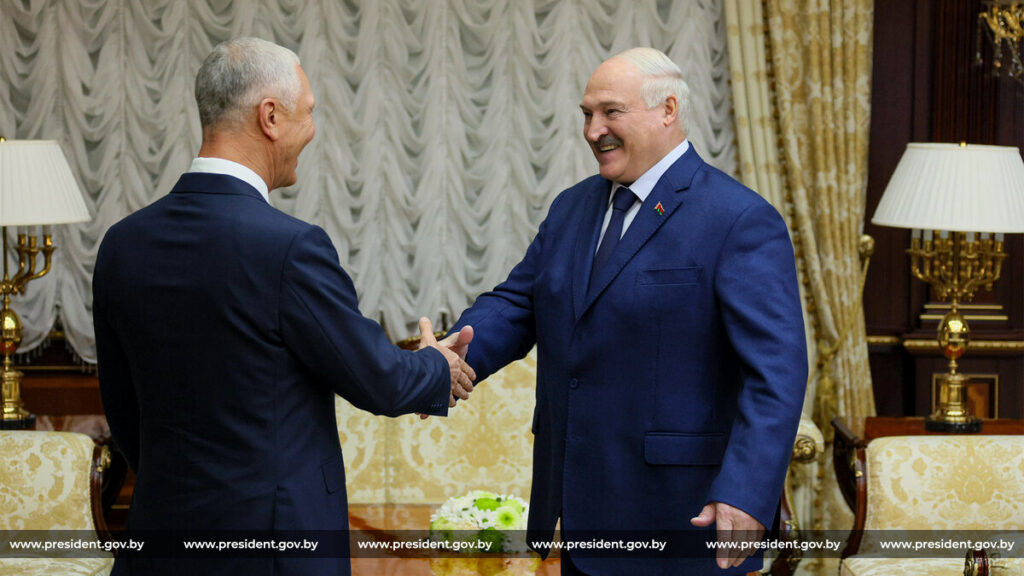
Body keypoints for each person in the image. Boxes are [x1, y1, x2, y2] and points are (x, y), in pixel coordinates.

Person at [93, 37, 475, 576]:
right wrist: (438, 365)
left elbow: (122, 408)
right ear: (270, 116)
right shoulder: (289, 247)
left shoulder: (121, 244)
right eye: (309, 112)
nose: (313, 130)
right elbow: (378, 379)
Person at [444, 47, 807, 574]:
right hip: (580, 515)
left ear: (668, 110)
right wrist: (452, 354)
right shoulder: (572, 207)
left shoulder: (739, 218)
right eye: (587, 114)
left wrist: (746, 492)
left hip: (684, 519)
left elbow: (777, 372)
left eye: (611, 112)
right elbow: (519, 302)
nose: (594, 130)